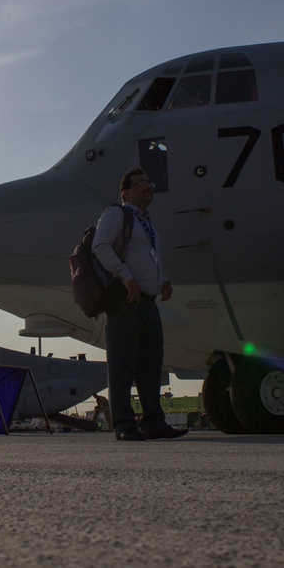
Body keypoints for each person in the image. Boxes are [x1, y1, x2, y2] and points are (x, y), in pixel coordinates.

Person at [92, 167, 186, 441]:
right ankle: (123, 424)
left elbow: (148, 257)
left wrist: (163, 280)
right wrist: (126, 278)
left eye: (149, 181)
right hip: (126, 299)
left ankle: (154, 421)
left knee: (151, 363)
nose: (148, 186)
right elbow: (100, 246)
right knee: (122, 364)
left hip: (148, 301)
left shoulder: (148, 223)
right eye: (141, 183)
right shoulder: (116, 214)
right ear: (125, 192)